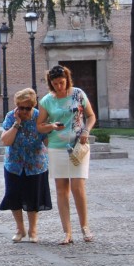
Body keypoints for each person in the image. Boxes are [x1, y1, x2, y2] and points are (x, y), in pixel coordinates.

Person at [37, 64, 97, 245]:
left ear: (67, 80)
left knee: (78, 187)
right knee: (61, 189)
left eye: (61, 82)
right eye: (55, 84)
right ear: (50, 83)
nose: (59, 86)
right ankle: (67, 232)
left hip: (78, 145)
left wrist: (86, 130)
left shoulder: (78, 94)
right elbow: (40, 125)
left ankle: (85, 227)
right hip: (57, 147)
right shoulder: (47, 100)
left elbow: (91, 116)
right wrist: (51, 126)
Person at [0, 88, 52, 243]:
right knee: (13, 196)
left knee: (33, 197)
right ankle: (20, 229)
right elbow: (6, 141)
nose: (23, 111)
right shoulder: (11, 116)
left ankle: (33, 230)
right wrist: (17, 124)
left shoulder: (40, 117)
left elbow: (48, 141)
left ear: (33, 105)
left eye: (27, 108)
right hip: (14, 164)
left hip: (35, 165)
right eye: (20, 107)